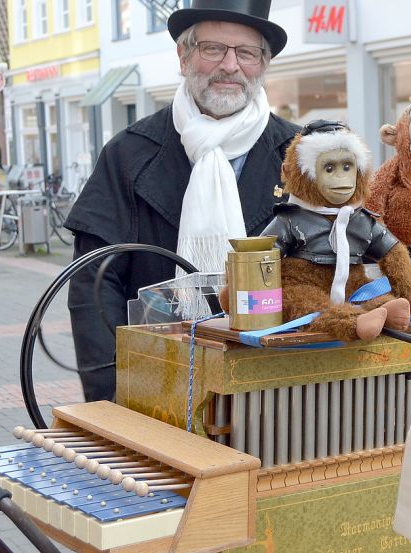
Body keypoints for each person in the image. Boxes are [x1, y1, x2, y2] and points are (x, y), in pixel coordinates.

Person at [64, 0, 298, 401]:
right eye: (213, 49)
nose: (230, 66)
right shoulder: (128, 154)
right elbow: (94, 285)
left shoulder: (303, 155)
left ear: (263, 64)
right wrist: (112, 396)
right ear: (183, 55)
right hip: (157, 382)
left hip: (277, 385)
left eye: (246, 52)